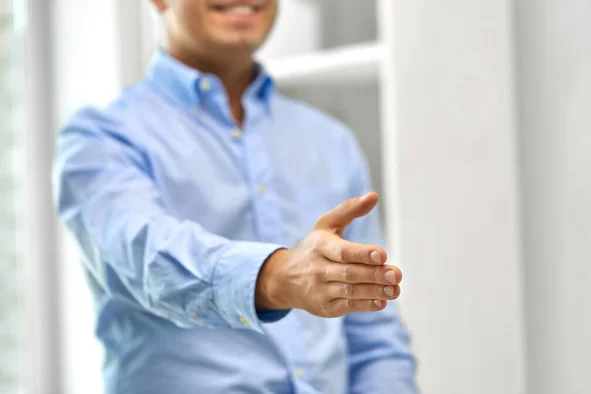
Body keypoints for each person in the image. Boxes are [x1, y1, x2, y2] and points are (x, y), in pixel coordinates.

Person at [53, 0, 417, 393]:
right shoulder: (100, 138)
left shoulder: (332, 141)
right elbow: (147, 257)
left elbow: (375, 339)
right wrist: (279, 276)